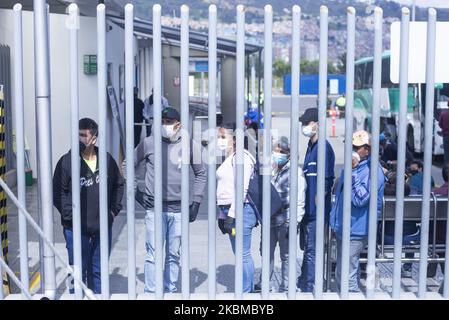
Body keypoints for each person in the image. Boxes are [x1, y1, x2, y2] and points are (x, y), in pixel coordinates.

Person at [134, 107, 207, 293]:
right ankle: (151, 292)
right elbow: (128, 164)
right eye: (162, 121)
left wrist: (196, 201)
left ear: (178, 125)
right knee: (153, 255)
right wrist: (136, 192)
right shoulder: (149, 143)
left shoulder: (191, 145)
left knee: (173, 255)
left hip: (179, 210)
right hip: (155, 209)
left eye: (169, 122)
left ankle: (170, 290)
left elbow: (201, 173)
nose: (165, 125)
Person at [53, 118, 124, 294]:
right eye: (78, 135)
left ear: (94, 137)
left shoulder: (105, 159)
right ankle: (75, 297)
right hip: (75, 229)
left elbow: (119, 184)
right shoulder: (66, 162)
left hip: (101, 226)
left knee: (98, 270)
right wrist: (71, 217)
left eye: (84, 135)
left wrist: (113, 212)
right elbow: (57, 195)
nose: (80, 139)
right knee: (76, 271)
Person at [330, 130, 385, 292]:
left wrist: (352, 173)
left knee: (348, 272)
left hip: (357, 228)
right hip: (344, 226)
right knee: (342, 269)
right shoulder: (353, 166)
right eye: (351, 146)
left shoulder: (373, 171)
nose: (352, 149)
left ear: (367, 150)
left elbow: (361, 199)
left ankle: (351, 294)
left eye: (357, 147)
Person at [253, 137, 307, 292]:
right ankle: (264, 284)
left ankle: (287, 285)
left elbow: (300, 199)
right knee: (266, 253)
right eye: (276, 151)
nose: (278, 155)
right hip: (269, 219)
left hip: (286, 220)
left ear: (289, 154)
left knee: (287, 256)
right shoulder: (270, 169)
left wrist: (295, 222)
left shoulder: (296, 172)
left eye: (282, 152)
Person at [297, 108, 335, 292]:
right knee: (308, 248)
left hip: (316, 212)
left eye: (307, 123)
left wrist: (318, 205)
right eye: (303, 124)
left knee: (312, 249)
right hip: (308, 211)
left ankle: (309, 286)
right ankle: (304, 280)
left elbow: (327, 180)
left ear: (317, 124)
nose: (304, 127)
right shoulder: (311, 148)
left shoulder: (323, 148)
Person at [216, 134, 259, 293]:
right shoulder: (230, 158)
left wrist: (232, 215)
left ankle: (246, 292)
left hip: (241, 212)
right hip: (231, 211)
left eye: (222, 136)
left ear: (234, 139)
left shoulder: (243, 157)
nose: (219, 140)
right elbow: (226, 190)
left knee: (243, 254)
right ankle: (246, 288)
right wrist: (223, 215)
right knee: (239, 252)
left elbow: (242, 188)